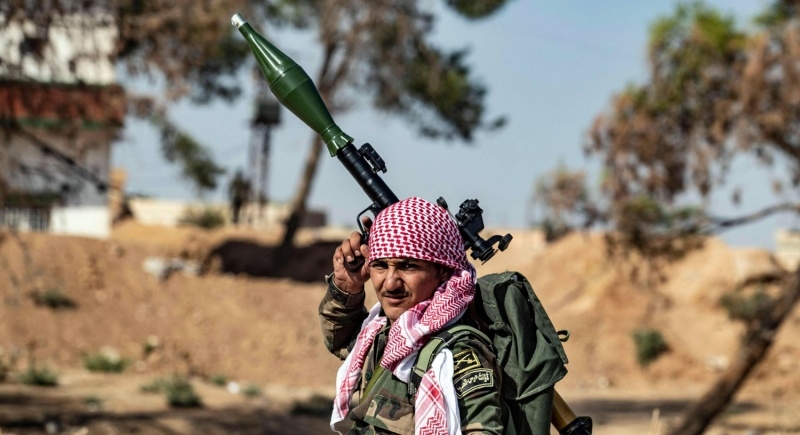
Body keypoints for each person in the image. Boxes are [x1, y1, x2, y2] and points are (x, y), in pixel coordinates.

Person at [319, 196, 504, 435]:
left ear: (443, 271)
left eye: (408, 266)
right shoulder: (387, 333)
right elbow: (343, 343)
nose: (390, 283)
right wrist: (346, 288)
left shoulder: (455, 354)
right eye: (380, 265)